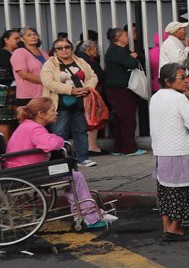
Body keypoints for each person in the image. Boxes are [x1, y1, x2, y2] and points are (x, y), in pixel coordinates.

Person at [4, 97, 116, 229]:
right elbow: (51, 144)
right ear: (41, 114)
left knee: (70, 174)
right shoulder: (35, 129)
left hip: (21, 171)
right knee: (75, 176)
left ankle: (87, 213)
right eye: (53, 110)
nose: (56, 113)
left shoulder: (27, 125)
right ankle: (88, 216)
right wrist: (59, 140)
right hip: (29, 174)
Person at [149, 62, 189, 240]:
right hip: (181, 151)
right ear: (168, 81)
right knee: (182, 192)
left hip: (162, 151)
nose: (187, 81)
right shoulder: (179, 98)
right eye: (182, 78)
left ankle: (167, 226)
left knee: (166, 192)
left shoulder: (156, 97)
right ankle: (175, 228)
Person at [39, 37, 99, 167]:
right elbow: (48, 83)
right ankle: (57, 161)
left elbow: (93, 76)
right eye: (60, 48)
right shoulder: (50, 64)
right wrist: (71, 90)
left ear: (72, 49)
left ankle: (83, 158)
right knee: (59, 133)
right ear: (55, 51)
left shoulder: (80, 61)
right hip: (60, 105)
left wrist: (87, 88)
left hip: (80, 103)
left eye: (67, 47)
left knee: (81, 131)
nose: (64, 50)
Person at [103, 27, 146, 156]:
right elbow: (132, 63)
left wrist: (134, 56)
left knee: (120, 118)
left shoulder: (118, 50)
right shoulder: (117, 51)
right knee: (127, 118)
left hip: (117, 88)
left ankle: (119, 147)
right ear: (119, 38)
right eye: (125, 35)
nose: (127, 38)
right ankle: (129, 149)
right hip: (120, 89)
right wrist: (134, 57)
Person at [11, 28, 48, 113]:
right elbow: (23, 74)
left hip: (45, 93)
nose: (33, 37)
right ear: (22, 39)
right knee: (31, 121)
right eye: (29, 35)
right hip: (28, 95)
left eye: (34, 34)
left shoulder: (43, 53)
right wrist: (46, 81)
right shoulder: (19, 52)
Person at [0, 28, 19, 139]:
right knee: (5, 122)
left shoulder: (13, 52)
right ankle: (5, 152)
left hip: (12, 92)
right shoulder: (3, 53)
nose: (19, 41)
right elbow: (14, 71)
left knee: (12, 122)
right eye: (16, 38)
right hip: (5, 92)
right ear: (6, 40)